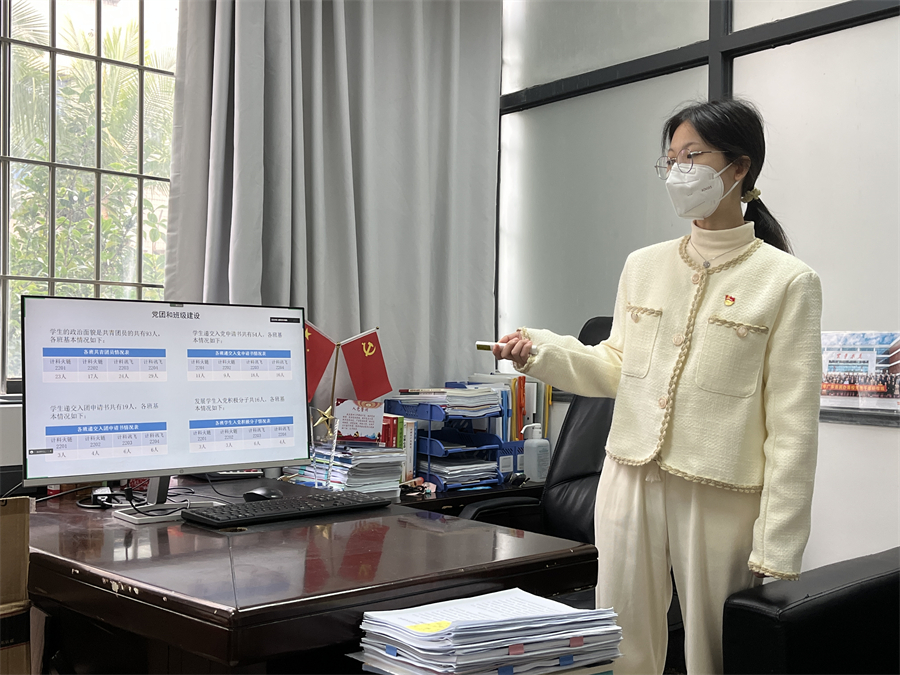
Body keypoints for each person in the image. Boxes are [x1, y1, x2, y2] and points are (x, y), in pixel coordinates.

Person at [493, 98, 822, 675]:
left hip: (720, 489)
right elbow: (615, 366)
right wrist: (539, 353)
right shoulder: (643, 265)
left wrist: (778, 543)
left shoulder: (787, 281)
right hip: (628, 476)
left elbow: (793, 425)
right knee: (621, 639)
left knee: (715, 649)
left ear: (740, 167)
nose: (678, 172)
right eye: (670, 159)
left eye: (692, 156)